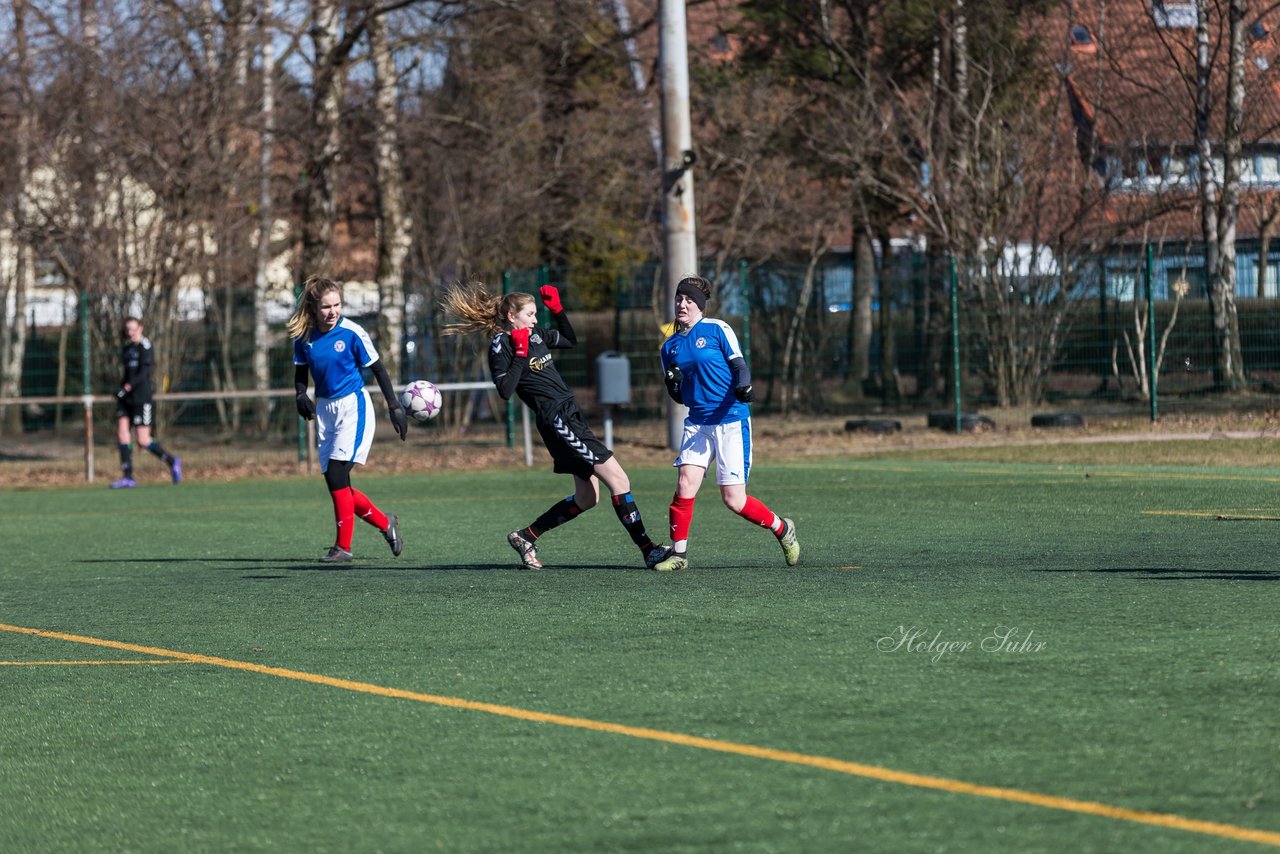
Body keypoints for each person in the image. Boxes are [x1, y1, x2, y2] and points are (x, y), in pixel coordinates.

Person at [441, 282, 668, 570]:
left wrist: (558, 311)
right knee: (620, 481)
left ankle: (526, 536)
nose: (536, 320)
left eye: (537, 314)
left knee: (588, 498)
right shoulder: (501, 345)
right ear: (512, 316)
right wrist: (521, 356)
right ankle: (649, 551)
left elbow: (570, 340)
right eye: (531, 314)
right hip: (557, 420)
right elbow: (505, 390)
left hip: (569, 414)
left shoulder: (535, 334)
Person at [653, 275, 799, 572]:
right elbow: (679, 398)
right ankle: (678, 555)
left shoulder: (717, 329)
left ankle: (782, 528)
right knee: (684, 485)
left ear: (700, 305)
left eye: (689, 300)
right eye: (679, 299)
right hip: (698, 424)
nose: (682, 304)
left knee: (734, 500)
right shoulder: (669, 347)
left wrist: (744, 388)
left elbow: (739, 365)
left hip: (731, 421)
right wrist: (674, 384)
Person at [288, 276, 407, 564]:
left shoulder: (353, 332)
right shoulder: (303, 336)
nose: (333, 311)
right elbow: (301, 371)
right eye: (326, 306)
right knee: (335, 482)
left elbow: (378, 369)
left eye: (337, 305)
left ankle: (343, 547)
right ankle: (385, 522)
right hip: (325, 410)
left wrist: (394, 407)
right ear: (313, 308)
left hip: (353, 407)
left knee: (339, 476)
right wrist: (300, 394)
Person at [110, 317, 182, 489]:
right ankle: (128, 477)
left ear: (140, 328)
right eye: (128, 329)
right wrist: (120, 389)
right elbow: (127, 374)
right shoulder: (127, 348)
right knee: (122, 434)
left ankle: (172, 461)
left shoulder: (146, 347)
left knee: (143, 440)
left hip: (141, 398)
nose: (130, 332)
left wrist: (127, 387)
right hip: (126, 399)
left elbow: (143, 373)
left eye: (133, 329)